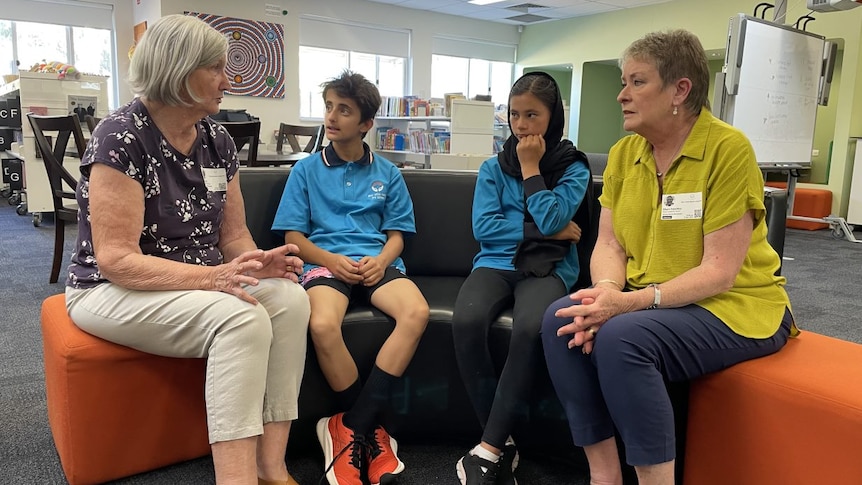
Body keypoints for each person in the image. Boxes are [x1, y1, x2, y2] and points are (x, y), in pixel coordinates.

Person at [541, 29, 796, 485]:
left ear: (680, 89)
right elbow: (610, 245)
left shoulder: (727, 149)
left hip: (736, 305)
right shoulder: (624, 153)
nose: (621, 95)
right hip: (654, 299)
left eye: (637, 82)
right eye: (623, 82)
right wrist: (605, 293)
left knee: (623, 337)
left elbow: (720, 273)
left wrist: (629, 304)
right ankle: (605, 477)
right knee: (561, 319)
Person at [64, 15, 310, 485]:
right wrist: (213, 279)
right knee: (242, 317)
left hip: (195, 282)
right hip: (110, 289)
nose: (228, 80)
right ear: (179, 72)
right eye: (216, 68)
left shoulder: (217, 139)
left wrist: (258, 262)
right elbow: (116, 260)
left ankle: (270, 467)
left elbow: (232, 238)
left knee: (290, 298)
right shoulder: (121, 136)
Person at [271, 70, 429, 485]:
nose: (332, 117)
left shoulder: (388, 173)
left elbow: (397, 236)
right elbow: (292, 237)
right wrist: (330, 259)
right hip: (325, 263)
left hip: (376, 263)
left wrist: (381, 259)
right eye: (328, 107)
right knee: (322, 323)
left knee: (416, 313)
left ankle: (352, 424)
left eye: (344, 110)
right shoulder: (305, 171)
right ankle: (369, 431)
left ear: (365, 123)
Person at [452, 71, 592, 485]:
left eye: (532, 115)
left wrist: (531, 168)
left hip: (550, 268)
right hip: (495, 262)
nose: (522, 125)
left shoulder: (572, 167)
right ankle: (502, 440)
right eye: (515, 115)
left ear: (554, 117)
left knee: (531, 327)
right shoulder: (493, 168)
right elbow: (485, 228)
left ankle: (487, 450)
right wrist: (539, 230)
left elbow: (552, 215)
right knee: (465, 321)